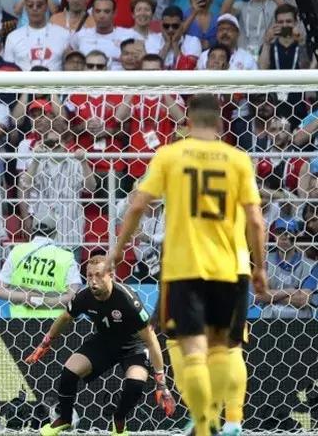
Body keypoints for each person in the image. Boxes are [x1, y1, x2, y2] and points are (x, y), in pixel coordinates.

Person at [109, 94, 269, 436]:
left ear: (186, 123)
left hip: (184, 268)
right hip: (231, 266)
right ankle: (231, 422)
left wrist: (117, 251)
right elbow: (256, 221)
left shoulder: (170, 155)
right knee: (228, 348)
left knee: (190, 350)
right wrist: (260, 266)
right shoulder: (238, 159)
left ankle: (203, 420)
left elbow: (137, 205)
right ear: (221, 124)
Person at [26, 256, 175, 436]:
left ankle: (119, 421)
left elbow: (151, 340)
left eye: (98, 275)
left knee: (135, 384)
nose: (93, 281)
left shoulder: (127, 300)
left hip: (133, 346)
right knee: (68, 373)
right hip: (104, 342)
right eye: (89, 276)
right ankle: (65, 419)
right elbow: (65, 317)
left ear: (110, 275)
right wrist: (45, 343)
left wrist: (161, 383)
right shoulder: (84, 296)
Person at [0, 219, 82, 318]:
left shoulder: (17, 251)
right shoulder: (66, 257)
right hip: (55, 324)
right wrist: (45, 302)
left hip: (19, 322)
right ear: (55, 232)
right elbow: (73, 296)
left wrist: (25, 297)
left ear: (32, 230)